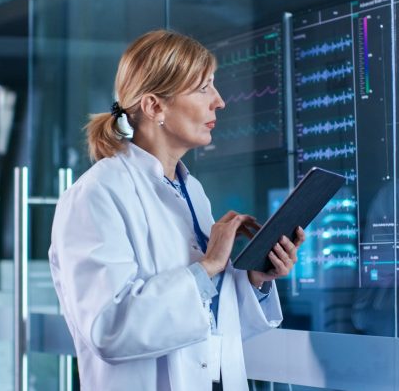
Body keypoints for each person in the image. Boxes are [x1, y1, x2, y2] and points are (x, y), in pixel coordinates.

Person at [48, 30, 305, 391]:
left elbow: (207, 322)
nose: (219, 101)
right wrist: (209, 266)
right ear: (155, 107)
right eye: (203, 88)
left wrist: (254, 279)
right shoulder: (96, 194)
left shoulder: (191, 190)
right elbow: (108, 328)